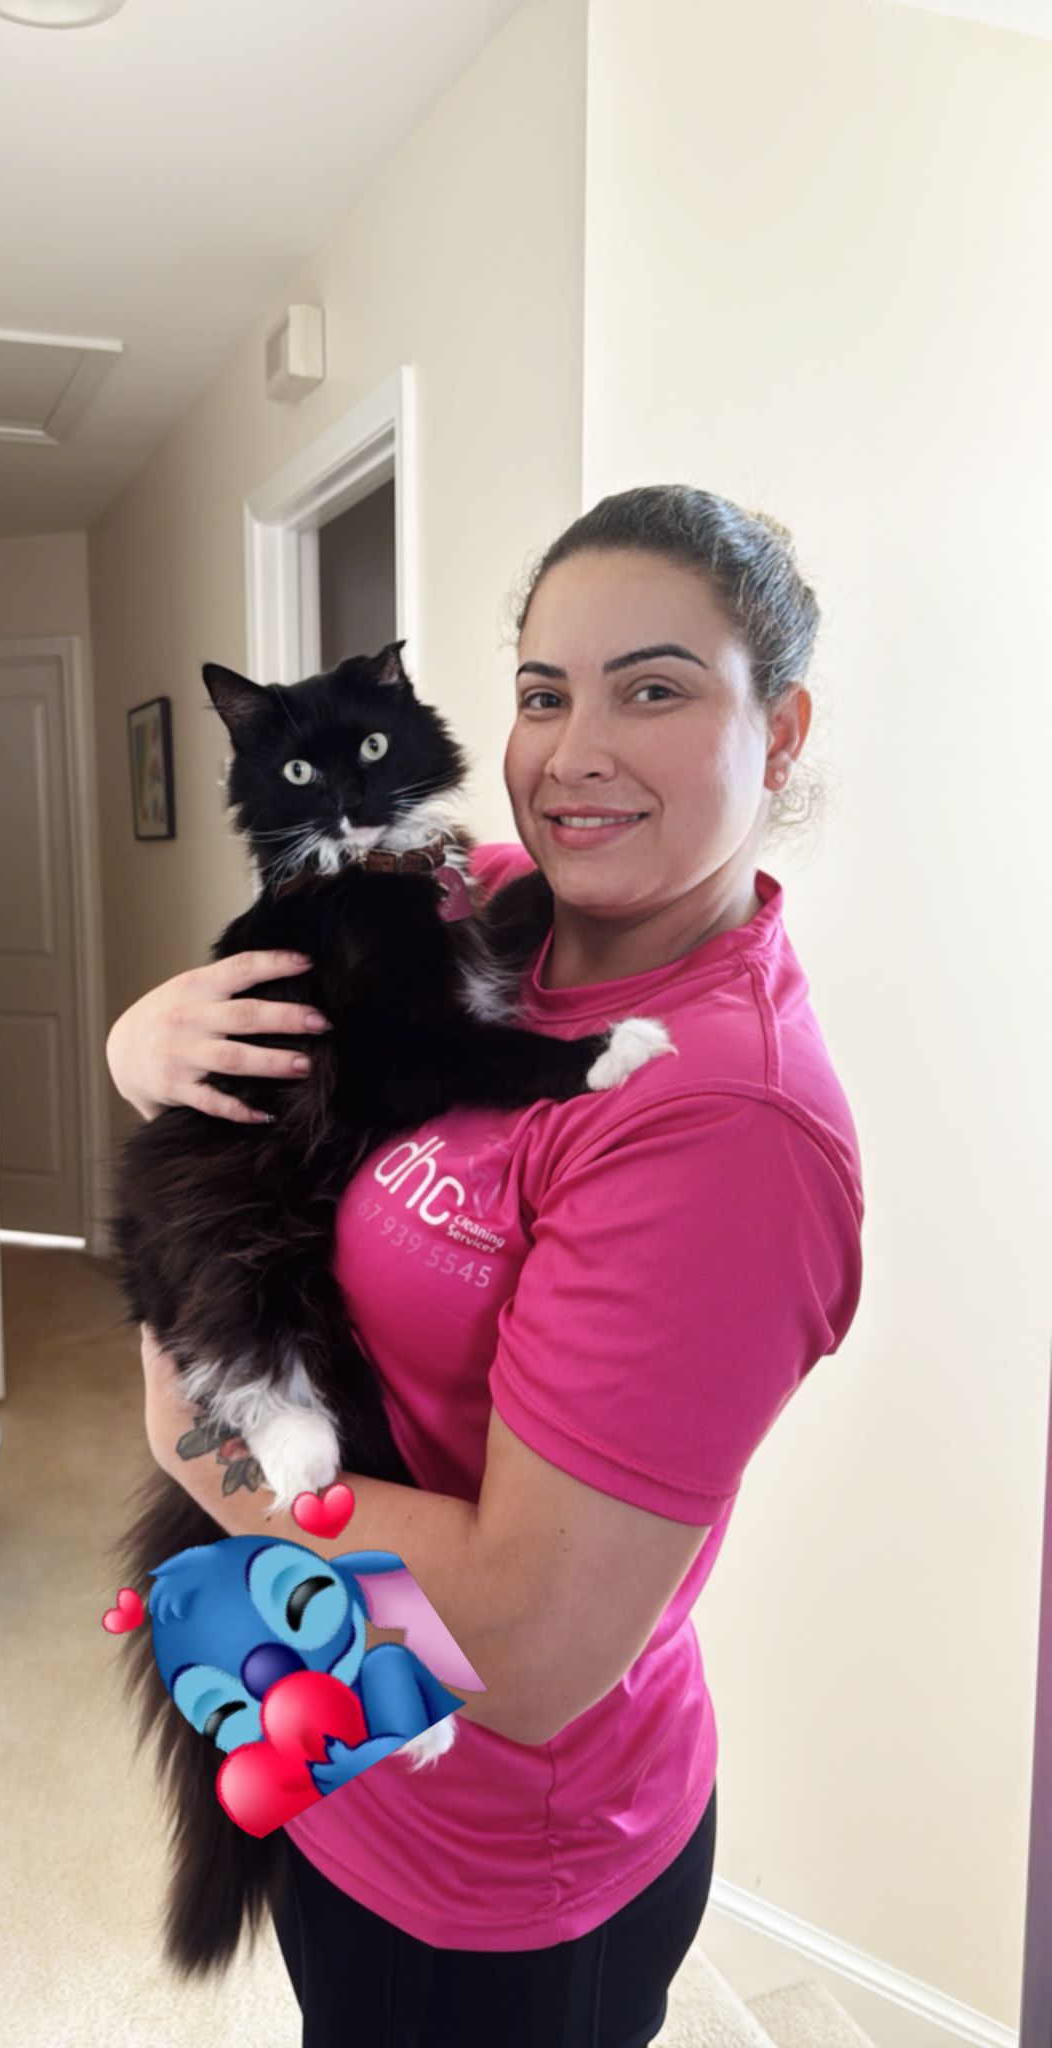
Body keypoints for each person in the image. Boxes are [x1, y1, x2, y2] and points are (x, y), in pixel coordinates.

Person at [107, 484, 864, 2048]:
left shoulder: (723, 1125)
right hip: (342, 1752)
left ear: (777, 734)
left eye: (653, 688)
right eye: (542, 691)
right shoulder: (489, 912)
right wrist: (145, 1052)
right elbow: (260, 1123)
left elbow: (520, 1652)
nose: (574, 751)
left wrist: (200, 1436)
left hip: (493, 1869)